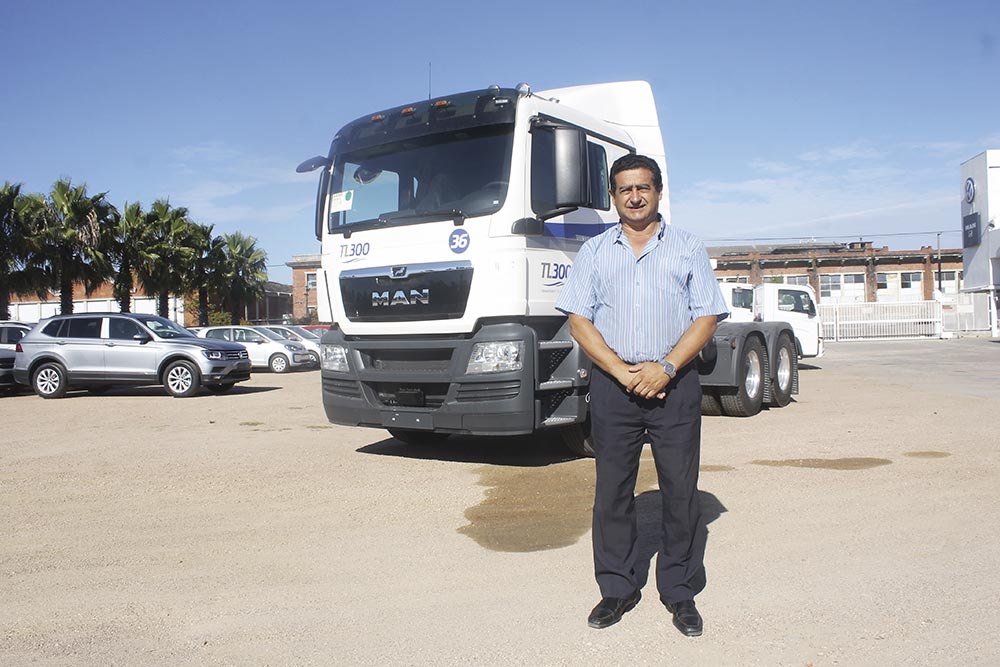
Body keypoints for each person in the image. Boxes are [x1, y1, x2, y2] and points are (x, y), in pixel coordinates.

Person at [555, 153, 728, 637]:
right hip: (614, 388)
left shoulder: (687, 248)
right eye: (625, 189)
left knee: (679, 491)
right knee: (612, 492)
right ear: (613, 196)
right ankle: (617, 587)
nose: (634, 196)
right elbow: (578, 319)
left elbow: (707, 317)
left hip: (674, 385)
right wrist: (621, 371)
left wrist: (667, 367)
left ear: (658, 191)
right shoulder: (594, 252)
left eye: (643, 187)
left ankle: (680, 590)